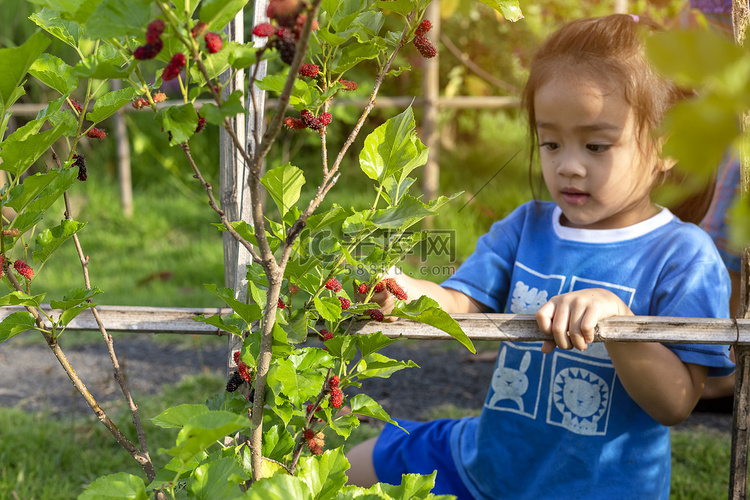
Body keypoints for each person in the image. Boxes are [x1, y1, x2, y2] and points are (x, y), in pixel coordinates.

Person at [346, 14, 735, 499]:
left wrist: (618, 323)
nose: (568, 165)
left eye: (596, 145)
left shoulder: (682, 256)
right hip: (485, 464)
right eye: (550, 142)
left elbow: (676, 403)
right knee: (336, 472)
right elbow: (461, 303)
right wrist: (407, 293)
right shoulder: (526, 226)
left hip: (597, 489)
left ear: (666, 147)